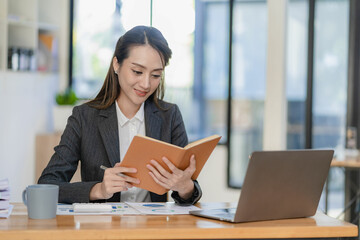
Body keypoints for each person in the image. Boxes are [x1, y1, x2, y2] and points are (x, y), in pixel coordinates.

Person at [38, 25, 202, 205]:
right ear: (116, 64)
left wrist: (185, 188)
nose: (146, 84)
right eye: (137, 72)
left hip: (153, 228)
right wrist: (99, 189)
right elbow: (47, 185)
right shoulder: (84, 117)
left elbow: (189, 191)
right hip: (103, 230)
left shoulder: (169, 116)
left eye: (155, 75)